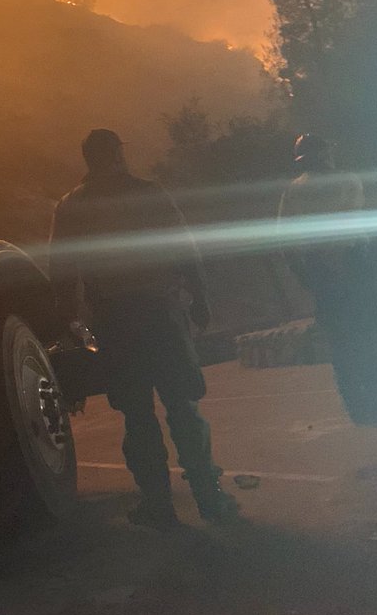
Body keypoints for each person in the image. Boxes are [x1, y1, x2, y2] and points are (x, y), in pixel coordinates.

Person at [49, 129, 238, 529]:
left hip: (115, 324)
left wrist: (76, 331)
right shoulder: (148, 192)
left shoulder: (71, 206)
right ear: (117, 154)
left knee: (137, 415)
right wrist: (199, 298)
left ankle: (158, 505)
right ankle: (209, 497)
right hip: (161, 316)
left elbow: (64, 275)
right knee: (183, 406)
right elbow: (184, 247)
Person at [278, 133, 377, 426]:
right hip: (354, 266)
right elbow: (356, 225)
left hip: (323, 273)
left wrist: (308, 277)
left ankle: (358, 409)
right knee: (370, 339)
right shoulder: (347, 181)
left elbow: (286, 243)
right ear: (324, 154)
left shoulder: (292, 191)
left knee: (343, 345)